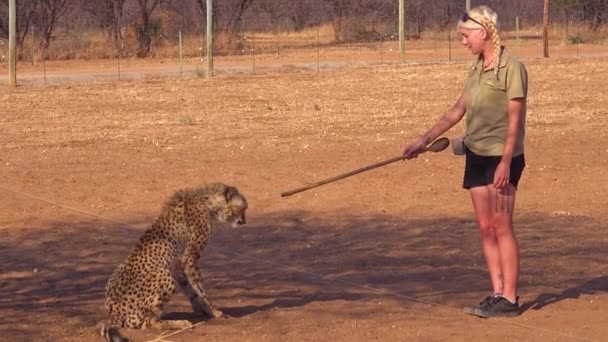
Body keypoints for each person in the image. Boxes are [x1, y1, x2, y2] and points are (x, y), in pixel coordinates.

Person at [402, 5, 527, 318]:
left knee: (502, 227)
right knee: (486, 228)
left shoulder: (512, 67)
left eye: (465, 35)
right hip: (476, 155)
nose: (463, 41)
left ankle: (510, 298)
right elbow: (457, 111)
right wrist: (423, 139)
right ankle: (496, 292)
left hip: (502, 157)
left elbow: (515, 121)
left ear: (482, 33)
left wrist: (506, 163)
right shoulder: (475, 69)